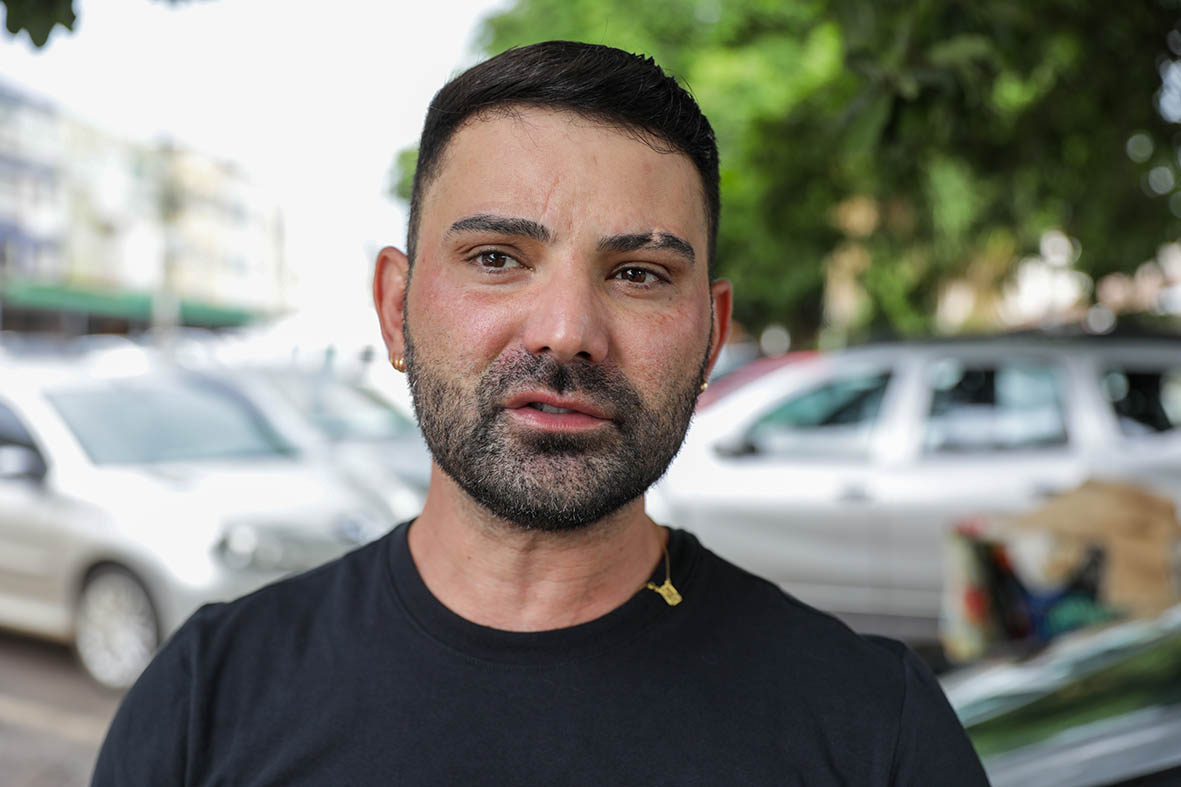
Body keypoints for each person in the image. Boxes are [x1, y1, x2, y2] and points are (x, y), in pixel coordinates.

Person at [93, 41, 989, 785]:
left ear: (711, 336)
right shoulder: (205, 698)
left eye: (638, 273)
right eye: (496, 257)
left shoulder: (876, 731)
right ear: (395, 308)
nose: (566, 332)